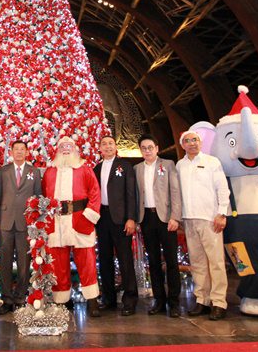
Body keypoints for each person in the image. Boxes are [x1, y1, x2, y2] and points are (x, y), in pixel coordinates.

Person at [41, 136, 101, 316]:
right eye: (62, 147)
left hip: (79, 220)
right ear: (58, 150)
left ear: (75, 149)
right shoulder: (50, 171)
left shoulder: (85, 169)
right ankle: (62, 300)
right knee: (58, 263)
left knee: (87, 262)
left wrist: (87, 217)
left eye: (69, 147)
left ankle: (92, 300)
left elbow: (95, 194)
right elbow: (44, 196)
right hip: (57, 223)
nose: (66, 150)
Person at [176, 130, 230, 320]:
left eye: (195, 140)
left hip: (210, 218)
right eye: (187, 141)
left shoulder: (211, 162)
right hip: (189, 220)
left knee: (216, 261)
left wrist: (222, 213)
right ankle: (202, 299)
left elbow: (222, 188)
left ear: (200, 142)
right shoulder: (179, 165)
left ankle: (219, 301)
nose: (192, 143)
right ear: (182, 145)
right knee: (197, 263)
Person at [0, 140, 42, 314]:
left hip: (25, 222)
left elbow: (38, 197)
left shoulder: (33, 172)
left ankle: (20, 297)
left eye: (22, 149)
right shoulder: (3, 171)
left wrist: (36, 221)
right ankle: (6, 298)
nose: (19, 152)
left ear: (27, 152)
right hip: (5, 221)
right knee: (5, 261)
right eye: (16, 149)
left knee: (23, 262)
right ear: (11, 152)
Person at [134, 134, 182, 318]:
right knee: (153, 262)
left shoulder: (168, 165)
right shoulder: (137, 168)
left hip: (166, 219)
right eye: (144, 148)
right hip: (146, 218)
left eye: (150, 147)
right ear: (140, 150)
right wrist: (137, 219)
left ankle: (174, 302)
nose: (147, 150)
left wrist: (175, 217)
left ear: (157, 148)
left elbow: (175, 192)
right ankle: (159, 301)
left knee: (171, 261)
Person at [93, 135, 138, 316]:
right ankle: (109, 299)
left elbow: (131, 194)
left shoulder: (125, 166)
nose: (108, 146)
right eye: (104, 144)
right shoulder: (96, 168)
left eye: (110, 143)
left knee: (125, 259)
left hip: (121, 219)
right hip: (102, 218)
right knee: (104, 261)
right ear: (100, 148)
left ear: (115, 147)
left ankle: (130, 299)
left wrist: (131, 218)